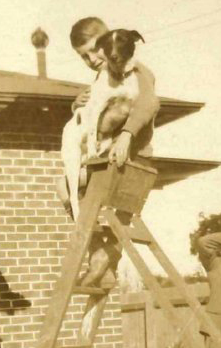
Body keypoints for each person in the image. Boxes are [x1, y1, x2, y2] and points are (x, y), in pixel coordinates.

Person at [56, 16, 160, 289]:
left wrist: (127, 135)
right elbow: (95, 111)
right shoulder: (104, 78)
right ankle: (96, 257)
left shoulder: (138, 72)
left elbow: (149, 103)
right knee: (64, 188)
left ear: (110, 41)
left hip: (134, 156)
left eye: (95, 50)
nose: (92, 59)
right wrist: (76, 104)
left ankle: (101, 264)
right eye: (83, 56)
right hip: (106, 158)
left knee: (118, 219)